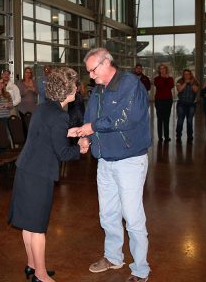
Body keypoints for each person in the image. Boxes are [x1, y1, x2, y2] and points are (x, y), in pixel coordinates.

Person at [69, 48, 151, 282]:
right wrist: (86, 137)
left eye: (93, 71)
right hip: (105, 160)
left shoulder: (130, 84)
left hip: (129, 161)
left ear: (106, 64)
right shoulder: (98, 90)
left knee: (132, 217)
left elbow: (125, 117)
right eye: (89, 72)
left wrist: (92, 128)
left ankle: (140, 269)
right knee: (108, 214)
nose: (91, 76)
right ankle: (113, 257)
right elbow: (90, 117)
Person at [8, 67, 83, 282]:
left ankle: (32, 266)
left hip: (25, 169)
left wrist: (70, 132)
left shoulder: (43, 108)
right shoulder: (60, 115)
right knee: (38, 227)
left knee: (28, 224)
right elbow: (64, 153)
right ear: (66, 91)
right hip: (38, 175)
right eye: (74, 86)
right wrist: (81, 146)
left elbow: (46, 133)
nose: (77, 89)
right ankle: (40, 275)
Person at [175, 69, 199, 142]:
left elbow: (195, 90)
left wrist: (191, 83)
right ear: (183, 74)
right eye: (185, 74)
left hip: (191, 104)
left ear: (190, 74)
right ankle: (178, 135)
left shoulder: (195, 81)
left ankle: (190, 136)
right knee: (180, 120)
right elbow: (179, 90)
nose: (186, 75)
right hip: (181, 104)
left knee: (189, 120)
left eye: (188, 74)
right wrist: (185, 83)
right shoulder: (180, 81)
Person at [154, 64, 174, 142]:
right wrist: (164, 78)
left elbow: (171, 86)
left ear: (166, 69)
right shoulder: (156, 79)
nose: (162, 70)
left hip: (168, 100)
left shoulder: (170, 78)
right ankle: (160, 137)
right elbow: (160, 86)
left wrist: (167, 78)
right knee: (160, 119)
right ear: (159, 70)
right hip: (159, 100)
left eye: (164, 68)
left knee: (166, 119)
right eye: (160, 69)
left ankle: (166, 136)